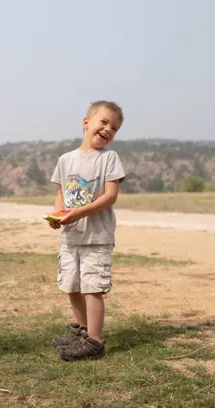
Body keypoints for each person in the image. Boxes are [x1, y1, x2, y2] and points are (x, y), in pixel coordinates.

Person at [47, 100, 126, 361]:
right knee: (72, 285)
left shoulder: (109, 159)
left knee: (93, 288)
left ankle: (94, 342)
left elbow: (110, 196)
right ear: (86, 123)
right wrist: (57, 217)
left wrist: (79, 213)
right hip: (71, 238)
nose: (108, 129)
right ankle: (80, 333)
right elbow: (61, 194)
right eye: (103, 122)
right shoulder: (65, 160)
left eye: (114, 128)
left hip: (97, 238)